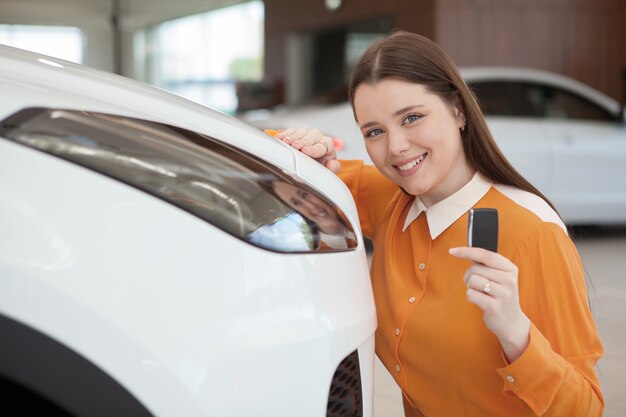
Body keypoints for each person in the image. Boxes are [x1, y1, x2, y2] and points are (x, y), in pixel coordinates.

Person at [267, 31, 603, 416]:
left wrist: (517, 335)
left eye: (412, 117)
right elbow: (246, 160)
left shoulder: (533, 233)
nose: (395, 147)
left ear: (458, 110)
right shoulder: (391, 197)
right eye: (374, 131)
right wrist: (300, 145)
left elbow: (586, 408)